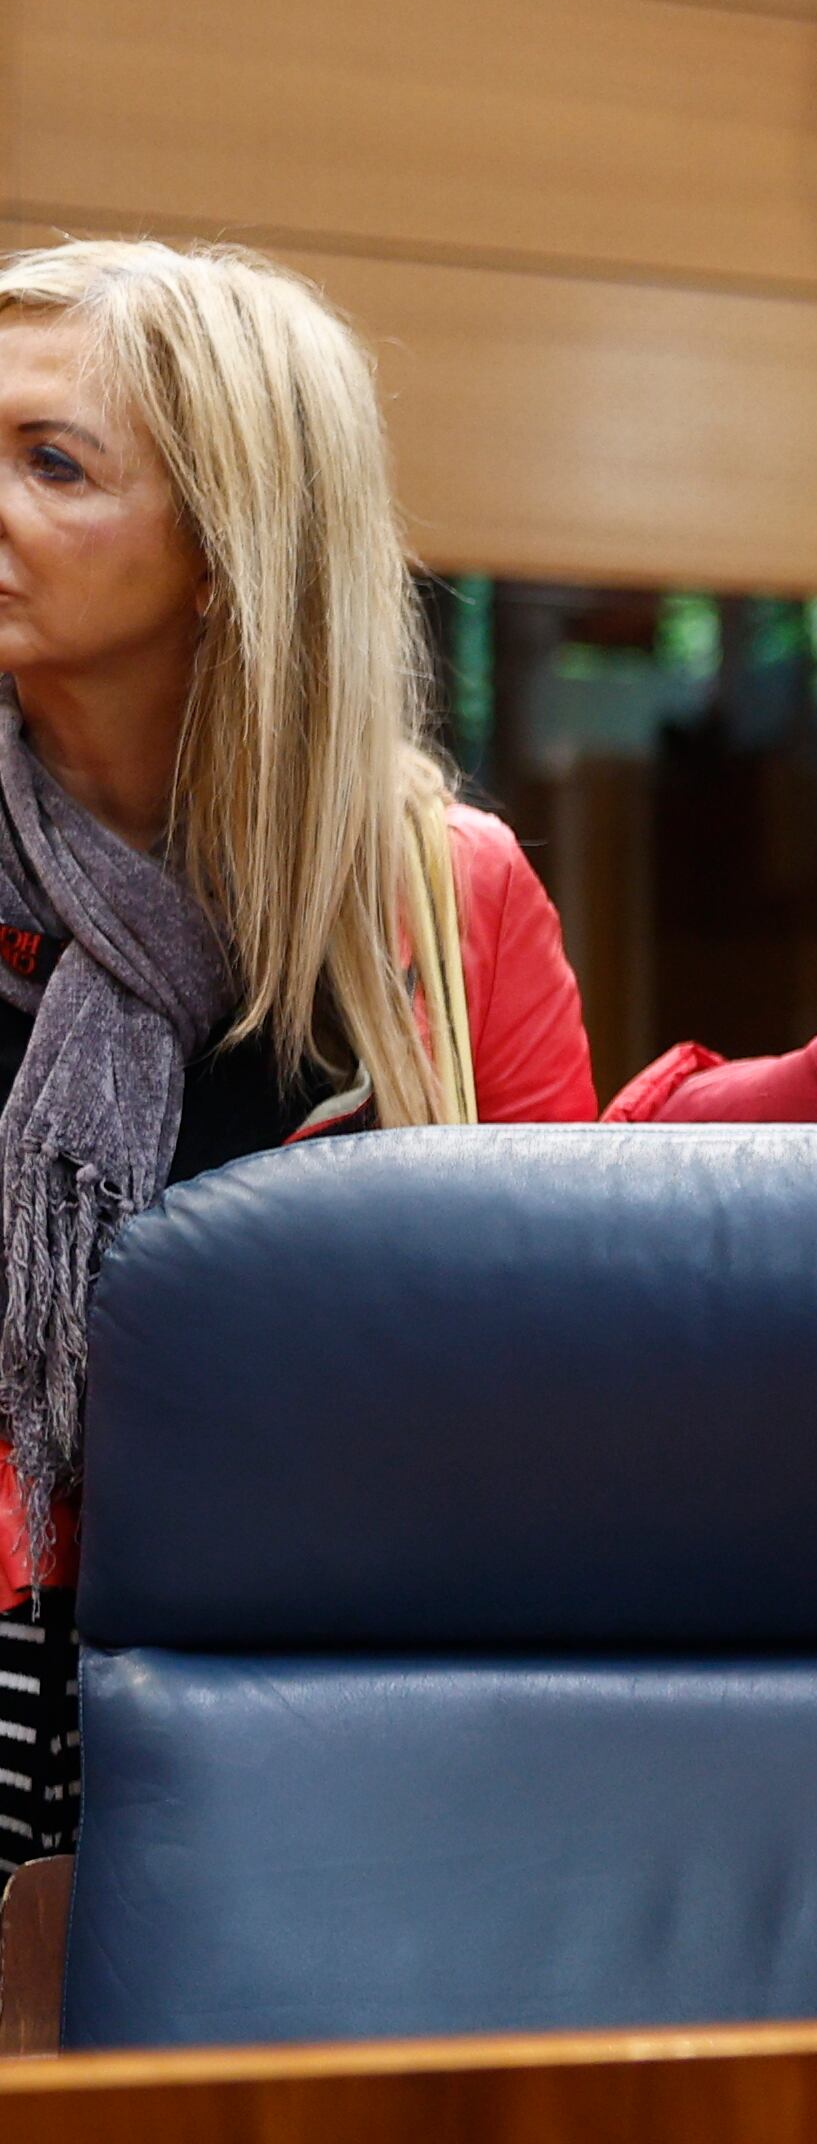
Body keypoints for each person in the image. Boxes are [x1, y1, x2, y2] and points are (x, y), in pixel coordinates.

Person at [0, 239, 595, 1868]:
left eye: (51, 463)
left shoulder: (445, 901)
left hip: (329, 1685)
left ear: (224, 552)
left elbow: (552, 1378)